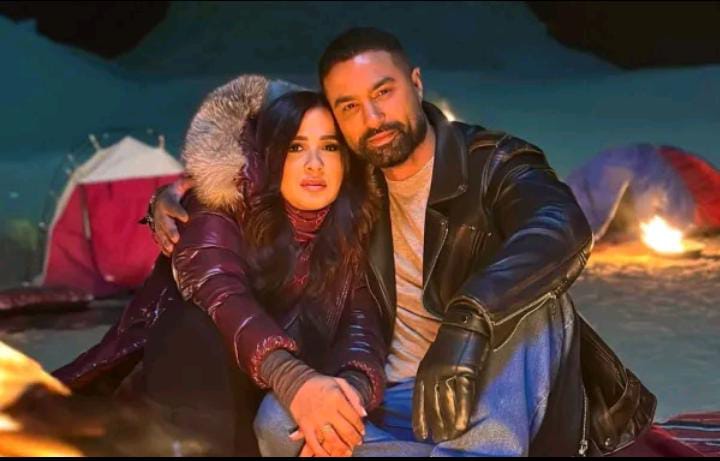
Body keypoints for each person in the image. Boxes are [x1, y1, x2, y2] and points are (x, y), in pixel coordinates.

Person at [149, 28, 657, 457]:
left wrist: (467, 323)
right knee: (279, 421)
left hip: (491, 384)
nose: (372, 118)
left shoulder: (491, 163)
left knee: (536, 292)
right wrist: (187, 191)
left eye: (383, 92)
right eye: (350, 106)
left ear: (415, 83)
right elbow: (268, 159)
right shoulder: (350, 182)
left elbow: (560, 225)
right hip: (392, 398)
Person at [54, 82, 389, 457]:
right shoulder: (218, 202)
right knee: (194, 324)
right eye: (295, 147)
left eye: (329, 147)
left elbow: (362, 325)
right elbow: (220, 289)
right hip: (191, 391)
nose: (315, 164)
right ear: (269, 156)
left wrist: (345, 400)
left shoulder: (353, 225)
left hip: (273, 396)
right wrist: (296, 382)